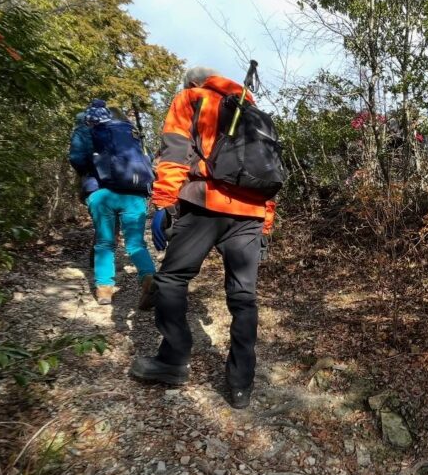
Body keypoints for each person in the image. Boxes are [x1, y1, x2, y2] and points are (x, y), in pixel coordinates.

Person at [129, 67, 276, 408]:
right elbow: (268, 174)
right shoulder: (253, 112)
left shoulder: (191, 98)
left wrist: (164, 203)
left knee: (171, 280)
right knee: (244, 298)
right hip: (252, 213)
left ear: (191, 83)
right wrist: (266, 225)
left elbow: (174, 154)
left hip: (205, 203)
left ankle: (173, 359)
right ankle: (241, 385)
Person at [69, 99, 157, 308]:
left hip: (101, 193)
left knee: (105, 242)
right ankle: (149, 278)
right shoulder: (132, 132)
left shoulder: (86, 127)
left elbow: (77, 159)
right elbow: (149, 159)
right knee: (136, 243)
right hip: (134, 194)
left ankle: (104, 289)